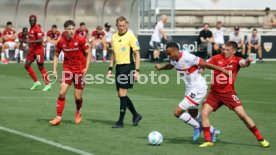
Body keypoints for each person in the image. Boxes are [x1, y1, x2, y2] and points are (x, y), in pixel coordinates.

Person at [199, 41, 270, 148]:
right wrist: (201, 67)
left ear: (234, 51)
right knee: (204, 113)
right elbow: (205, 63)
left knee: (243, 115)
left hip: (229, 94)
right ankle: (208, 140)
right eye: (223, 49)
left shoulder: (237, 60)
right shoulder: (216, 57)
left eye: (228, 50)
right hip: (214, 94)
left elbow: (244, 63)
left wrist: (248, 61)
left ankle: (261, 139)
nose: (225, 52)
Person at [155, 42, 229, 142]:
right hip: (189, 88)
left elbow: (205, 64)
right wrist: (161, 68)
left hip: (198, 88)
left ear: (176, 51)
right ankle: (213, 131)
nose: (168, 56)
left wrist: (222, 70)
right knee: (193, 113)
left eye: (169, 54)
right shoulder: (174, 59)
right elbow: (170, 65)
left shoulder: (187, 57)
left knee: (177, 112)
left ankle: (197, 126)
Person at [49, 20, 91, 125]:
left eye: (73, 29)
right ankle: (58, 117)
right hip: (67, 69)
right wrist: (54, 69)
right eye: (69, 29)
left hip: (79, 70)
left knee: (78, 97)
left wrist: (86, 67)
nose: (71, 31)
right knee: (62, 92)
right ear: (65, 30)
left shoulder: (80, 39)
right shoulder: (61, 41)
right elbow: (56, 55)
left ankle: (78, 112)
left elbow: (88, 53)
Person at [107, 16, 142, 128]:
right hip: (119, 68)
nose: (122, 27)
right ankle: (136, 115)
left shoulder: (130, 36)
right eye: (119, 26)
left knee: (122, 93)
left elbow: (137, 54)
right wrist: (110, 69)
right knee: (121, 94)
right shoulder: (114, 37)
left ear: (126, 24)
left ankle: (120, 122)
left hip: (128, 67)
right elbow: (113, 54)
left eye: (123, 25)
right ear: (116, 25)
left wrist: (137, 71)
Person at [25, 15, 51, 91]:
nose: (32, 21)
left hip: (38, 51)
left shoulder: (37, 28)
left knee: (41, 67)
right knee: (26, 65)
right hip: (32, 50)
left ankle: (48, 84)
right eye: (30, 20)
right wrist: (28, 44)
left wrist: (30, 41)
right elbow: (32, 38)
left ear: (36, 21)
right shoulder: (31, 28)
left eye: (33, 20)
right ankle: (36, 82)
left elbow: (40, 40)